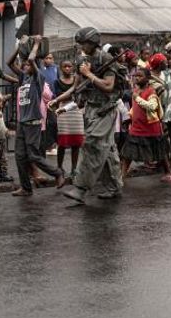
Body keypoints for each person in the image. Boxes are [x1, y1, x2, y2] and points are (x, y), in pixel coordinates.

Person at [54, 27, 125, 205]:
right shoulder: (81, 59)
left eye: (83, 43)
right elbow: (76, 86)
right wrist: (59, 100)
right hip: (91, 109)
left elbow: (109, 86)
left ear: (92, 42)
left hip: (105, 109)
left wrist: (89, 74)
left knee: (93, 144)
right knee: (107, 150)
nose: (81, 46)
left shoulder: (105, 58)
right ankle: (114, 187)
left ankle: (80, 188)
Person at [7, 36, 65, 197]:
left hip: (33, 122)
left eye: (27, 65)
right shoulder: (23, 78)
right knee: (19, 156)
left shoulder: (38, 78)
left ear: (34, 67)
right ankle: (26, 188)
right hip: (22, 123)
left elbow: (32, 58)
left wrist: (37, 44)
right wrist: (20, 47)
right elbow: (9, 63)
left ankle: (57, 173)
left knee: (33, 155)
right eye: (24, 65)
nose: (25, 66)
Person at [120, 68, 171, 182]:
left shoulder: (151, 92)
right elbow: (135, 108)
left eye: (140, 76)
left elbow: (152, 106)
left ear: (147, 78)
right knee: (128, 153)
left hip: (151, 127)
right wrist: (129, 117)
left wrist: (137, 98)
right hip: (137, 127)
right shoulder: (136, 90)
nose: (137, 78)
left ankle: (168, 172)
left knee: (160, 152)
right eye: (136, 76)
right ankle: (122, 176)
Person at [53, 60, 84, 178]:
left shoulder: (77, 80)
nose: (67, 68)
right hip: (63, 112)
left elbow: (79, 94)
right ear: (61, 68)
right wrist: (71, 94)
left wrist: (70, 94)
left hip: (76, 111)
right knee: (62, 142)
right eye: (65, 66)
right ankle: (59, 167)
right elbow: (58, 96)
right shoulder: (57, 81)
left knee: (76, 142)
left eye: (69, 66)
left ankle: (74, 169)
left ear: (72, 68)